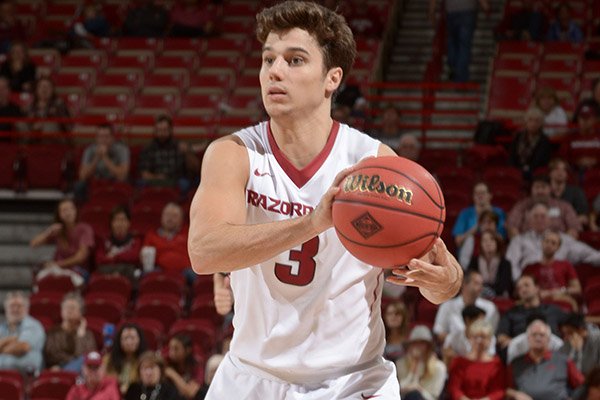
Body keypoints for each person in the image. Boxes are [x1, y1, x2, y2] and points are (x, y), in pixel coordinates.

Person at [187, 2, 464, 399]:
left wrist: (445, 280)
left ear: (332, 78)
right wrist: (312, 221)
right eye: (268, 60)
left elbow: (441, 283)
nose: (275, 72)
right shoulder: (234, 154)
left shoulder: (374, 164)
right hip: (252, 375)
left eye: (295, 60)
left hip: (351, 380)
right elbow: (203, 252)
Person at [506, 202, 600, 277]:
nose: (539, 219)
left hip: (557, 285)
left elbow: (588, 254)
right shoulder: (518, 241)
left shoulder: (564, 239)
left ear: (550, 220)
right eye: (535, 216)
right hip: (529, 285)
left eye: (543, 216)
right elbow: (510, 265)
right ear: (529, 221)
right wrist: (520, 282)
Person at [506, 319, 584, 400]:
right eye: (534, 335)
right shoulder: (515, 363)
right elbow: (505, 389)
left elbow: (582, 386)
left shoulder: (563, 361)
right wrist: (515, 394)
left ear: (549, 339)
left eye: (542, 335)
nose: (538, 338)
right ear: (528, 338)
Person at [30, 198, 94, 287]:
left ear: (76, 211)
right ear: (59, 214)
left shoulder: (85, 229)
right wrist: (49, 231)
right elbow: (33, 244)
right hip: (57, 268)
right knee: (39, 279)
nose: (68, 213)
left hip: (79, 269)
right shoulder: (58, 229)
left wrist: (57, 264)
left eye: (71, 209)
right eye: (64, 210)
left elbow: (81, 257)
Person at [497, 275, 567, 351]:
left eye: (526, 285)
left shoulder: (552, 309)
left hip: (552, 352)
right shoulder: (511, 313)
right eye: (519, 288)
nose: (523, 289)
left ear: (537, 288)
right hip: (523, 353)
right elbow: (501, 336)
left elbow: (572, 324)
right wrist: (514, 344)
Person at [428, 0, 490, 82]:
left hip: (451, 11)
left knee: (452, 41)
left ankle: (453, 67)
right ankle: (460, 76)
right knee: (464, 45)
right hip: (467, 10)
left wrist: (431, 11)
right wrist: (486, 7)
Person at [433, 270, 499, 344]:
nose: (480, 288)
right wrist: (459, 343)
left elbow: (491, 335)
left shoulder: (490, 308)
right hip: (454, 350)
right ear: (464, 284)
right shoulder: (447, 306)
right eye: (476, 283)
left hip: (480, 350)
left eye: (481, 284)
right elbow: (439, 332)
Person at [137, 114, 199, 193]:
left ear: (170, 130)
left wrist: (187, 153)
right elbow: (144, 174)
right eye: (159, 130)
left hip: (176, 181)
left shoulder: (179, 146)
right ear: (155, 131)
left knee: (185, 184)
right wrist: (156, 177)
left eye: (165, 130)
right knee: (141, 184)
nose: (162, 133)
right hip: (155, 180)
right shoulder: (148, 149)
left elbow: (195, 168)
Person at [522, 230, 582, 310]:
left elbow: (577, 289)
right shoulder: (529, 268)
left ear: (558, 247)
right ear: (542, 243)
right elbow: (521, 289)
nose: (549, 245)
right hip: (537, 303)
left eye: (553, 243)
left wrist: (558, 291)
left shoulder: (565, 265)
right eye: (547, 241)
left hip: (560, 300)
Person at [506, 175, 581, 239]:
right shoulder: (521, 206)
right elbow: (512, 227)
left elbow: (574, 228)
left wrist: (561, 245)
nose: (540, 191)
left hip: (557, 245)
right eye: (537, 187)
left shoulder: (564, 206)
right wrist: (521, 245)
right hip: (528, 246)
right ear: (531, 190)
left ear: (550, 189)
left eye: (543, 187)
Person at [447, 320, 505, 400]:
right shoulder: (458, 361)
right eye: (475, 337)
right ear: (470, 338)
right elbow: (454, 388)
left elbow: (498, 391)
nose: (479, 341)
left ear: (490, 340)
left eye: (483, 337)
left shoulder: (496, 364)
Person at [44, 292, 97, 372]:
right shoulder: (53, 332)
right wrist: (73, 359)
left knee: (83, 360)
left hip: (81, 369)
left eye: (72, 308)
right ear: (61, 311)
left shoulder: (87, 334)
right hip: (58, 367)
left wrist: (80, 336)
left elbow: (89, 357)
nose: (69, 311)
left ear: (81, 312)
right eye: (66, 307)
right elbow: (51, 354)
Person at [76, 124, 130, 201]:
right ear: (96, 138)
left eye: (106, 136)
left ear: (112, 138)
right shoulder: (89, 150)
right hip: (96, 181)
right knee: (79, 186)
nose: (103, 140)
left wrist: (105, 157)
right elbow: (82, 176)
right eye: (100, 137)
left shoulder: (122, 149)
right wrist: (97, 158)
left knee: (126, 185)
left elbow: (122, 176)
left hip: (115, 181)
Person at [396, 325, 447, 400]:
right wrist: (412, 371)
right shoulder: (400, 363)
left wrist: (418, 389)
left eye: (422, 343)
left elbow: (434, 397)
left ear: (428, 347)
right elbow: (398, 390)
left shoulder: (439, 367)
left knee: (415, 395)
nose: (417, 347)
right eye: (415, 343)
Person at [143, 202, 192, 278]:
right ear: (162, 217)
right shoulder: (152, 235)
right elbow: (146, 256)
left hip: (185, 272)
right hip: (159, 270)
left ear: (181, 219)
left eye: (174, 216)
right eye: (167, 215)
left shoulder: (189, 234)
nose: (170, 218)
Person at [452, 181, 507, 250]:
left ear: (490, 195)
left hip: (494, 252)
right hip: (470, 253)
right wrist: (476, 228)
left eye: (483, 193)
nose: (480, 196)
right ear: (473, 196)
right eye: (477, 193)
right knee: (470, 240)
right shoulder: (465, 214)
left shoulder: (499, 213)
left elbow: (503, 240)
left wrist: (491, 229)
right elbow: (458, 241)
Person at [0, 291, 45, 373]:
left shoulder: (33, 325)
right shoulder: (2, 328)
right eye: (12, 306)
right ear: (6, 309)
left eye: (19, 306)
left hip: (24, 376)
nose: (15, 309)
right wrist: (12, 339)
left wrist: (2, 346)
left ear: (27, 308)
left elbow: (22, 347)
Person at [95, 205, 142, 281]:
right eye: (116, 220)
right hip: (107, 273)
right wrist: (123, 258)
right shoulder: (104, 240)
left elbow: (135, 257)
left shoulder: (135, 240)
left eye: (123, 220)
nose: (120, 224)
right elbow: (99, 259)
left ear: (129, 223)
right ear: (111, 223)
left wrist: (114, 256)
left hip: (128, 274)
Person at [509, 107, 553, 181]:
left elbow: (539, 161)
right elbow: (512, 155)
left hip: (534, 172)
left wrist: (527, 169)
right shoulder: (518, 136)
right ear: (526, 122)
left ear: (541, 123)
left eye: (537, 121)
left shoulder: (544, 140)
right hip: (517, 169)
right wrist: (514, 169)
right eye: (530, 120)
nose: (533, 123)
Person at [466, 230, 513, 298]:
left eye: (491, 240)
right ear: (481, 244)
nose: (488, 243)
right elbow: (469, 280)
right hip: (477, 296)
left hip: (498, 297)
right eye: (484, 240)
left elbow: (504, 286)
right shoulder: (474, 261)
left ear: (497, 243)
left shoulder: (505, 263)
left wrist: (488, 290)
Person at [103, 322, 147, 395]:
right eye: (125, 338)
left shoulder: (146, 360)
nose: (129, 342)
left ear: (139, 340)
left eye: (132, 338)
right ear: (119, 341)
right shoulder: (108, 359)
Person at [23, 76, 71, 141]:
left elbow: (65, 124)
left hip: (56, 138)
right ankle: (24, 150)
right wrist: (34, 127)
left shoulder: (59, 104)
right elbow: (27, 122)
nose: (44, 89)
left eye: (48, 87)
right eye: (41, 86)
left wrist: (43, 124)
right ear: (36, 89)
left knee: (50, 126)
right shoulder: (30, 106)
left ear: (52, 90)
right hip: (34, 136)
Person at [549, 157, 589, 227]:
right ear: (550, 173)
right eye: (556, 169)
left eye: (564, 170)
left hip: (571, 230)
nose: (560, 172)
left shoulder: (576, 192)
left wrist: (564, 224)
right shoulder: (544, 192)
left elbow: (584, 217)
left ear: (567, 174)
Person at [562, 99, 600, 172]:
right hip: (574, 172)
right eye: (582, 117)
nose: (584, 121)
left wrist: (596, 161)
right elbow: (563, 158)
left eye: (588, 117)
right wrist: (576, 162)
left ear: (595, 119)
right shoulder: (570, 137)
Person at [164, 334, 203, 399]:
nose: (171, 352)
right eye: (170, 348)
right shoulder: (166, 361)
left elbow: (190, 393)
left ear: (188, 350)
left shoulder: (196, 366)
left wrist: (172, 374)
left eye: (176, 349)